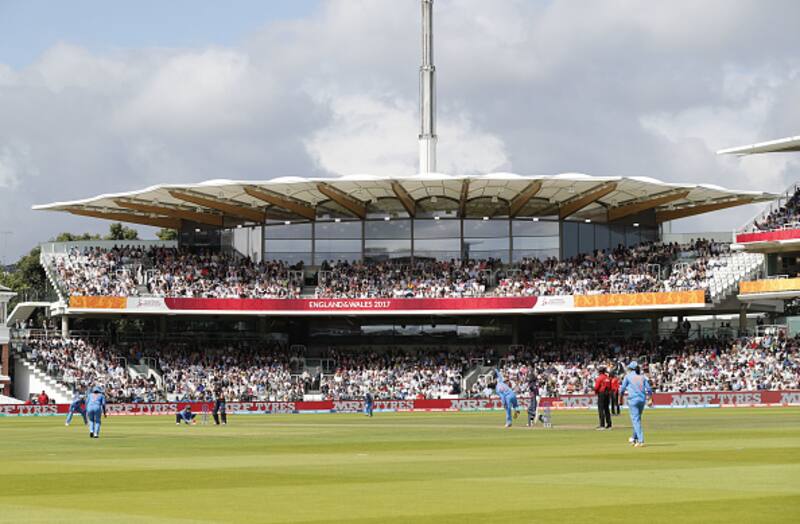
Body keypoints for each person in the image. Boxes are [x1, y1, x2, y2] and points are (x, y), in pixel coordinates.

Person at [619, 361, 653, 447]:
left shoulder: (628, 376)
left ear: (630, 369)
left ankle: (641, 440)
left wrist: (620, 399)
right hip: (642, 400)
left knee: (636, 420)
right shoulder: (642, 377)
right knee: (637, 419)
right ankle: (634, 438)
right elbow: (649, 389)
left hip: (633, 400)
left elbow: (622, 389)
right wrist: (650, 399)